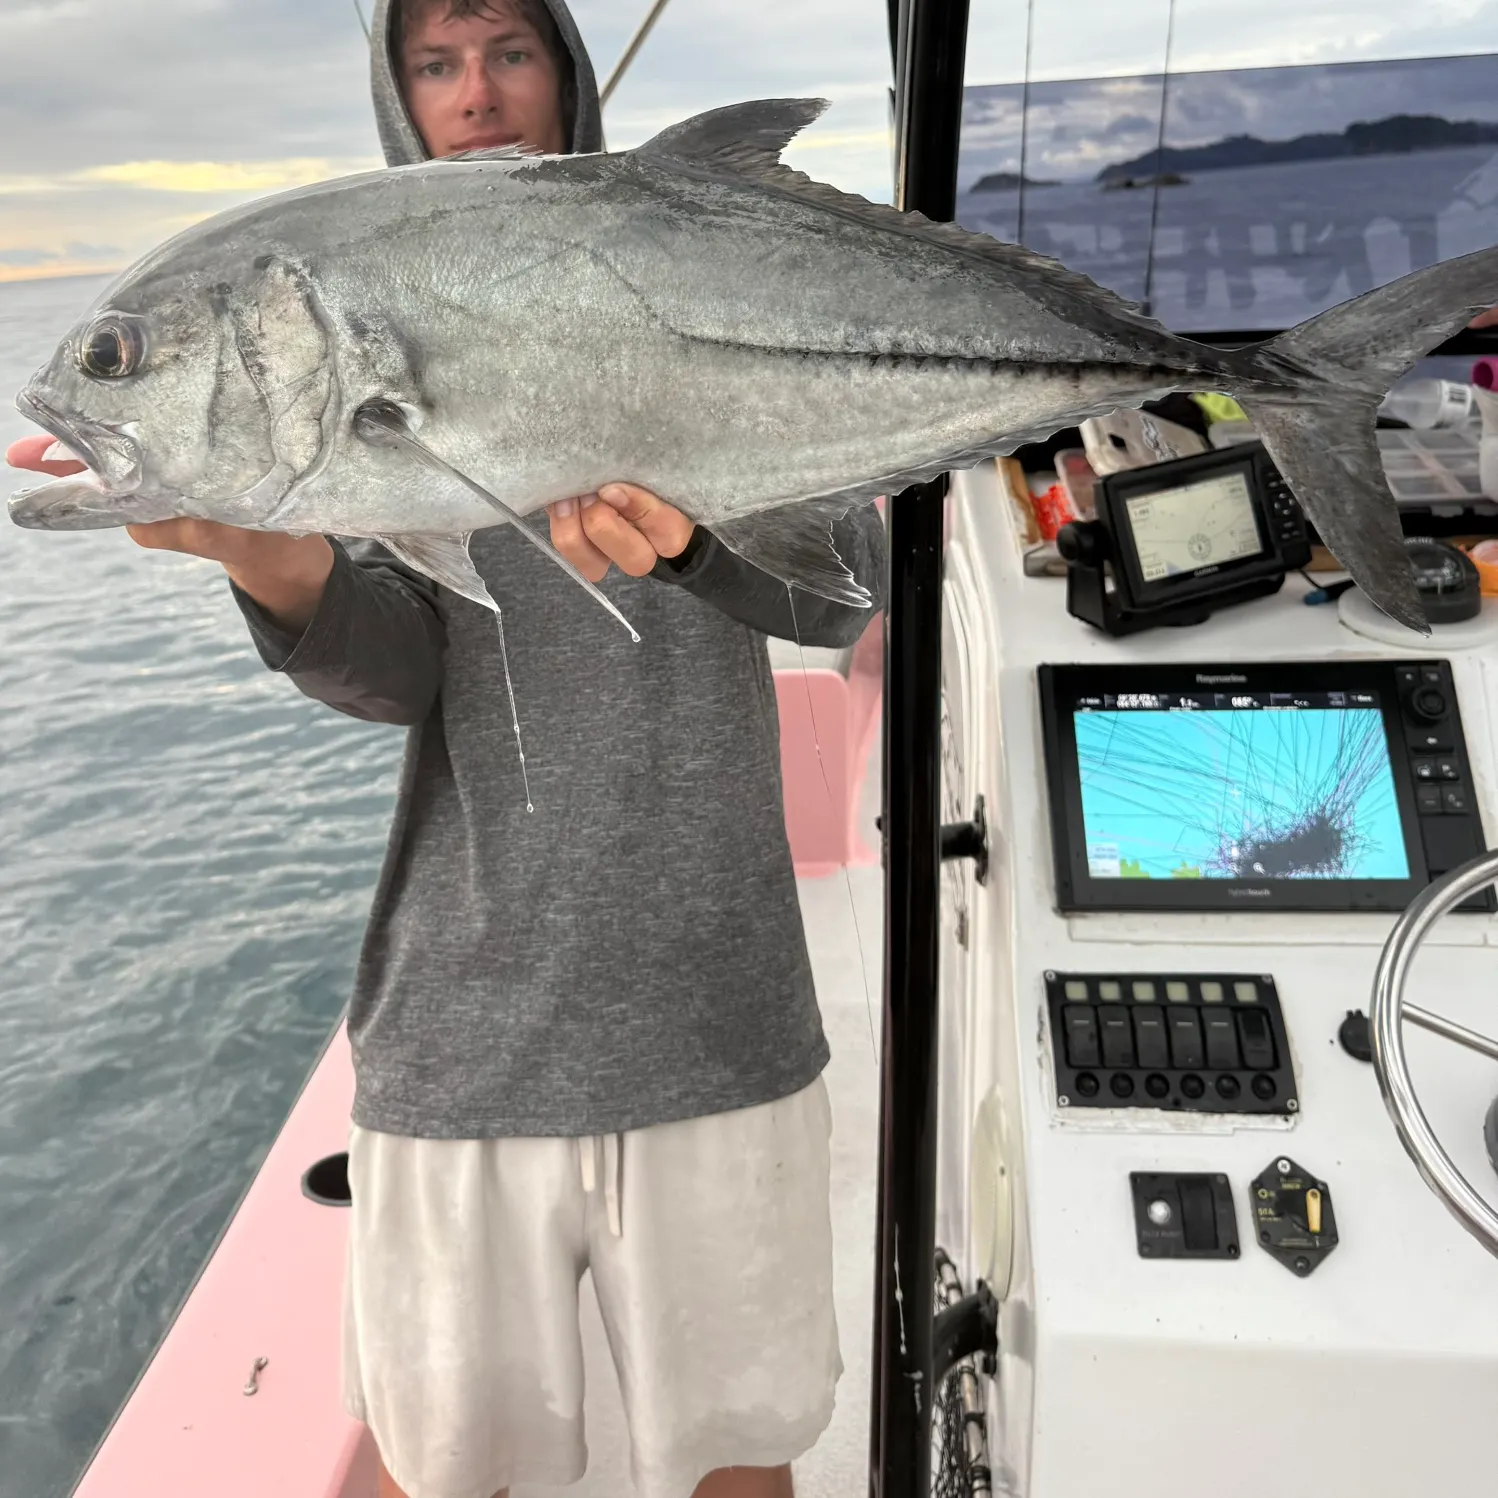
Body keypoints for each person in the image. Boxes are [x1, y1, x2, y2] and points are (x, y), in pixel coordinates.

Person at [8, 3, 886, 1496]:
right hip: (463, 1031)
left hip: (716, 998)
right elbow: (403, 675)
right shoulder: (356, 340)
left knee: (739, 1460)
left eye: (509, 49)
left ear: (565, 67)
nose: (476, 91)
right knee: (450, 1466)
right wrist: (269, 559)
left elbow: (842, 590)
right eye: (434, 61)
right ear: (398, 96)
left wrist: (695, 550)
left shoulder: (706, 273)